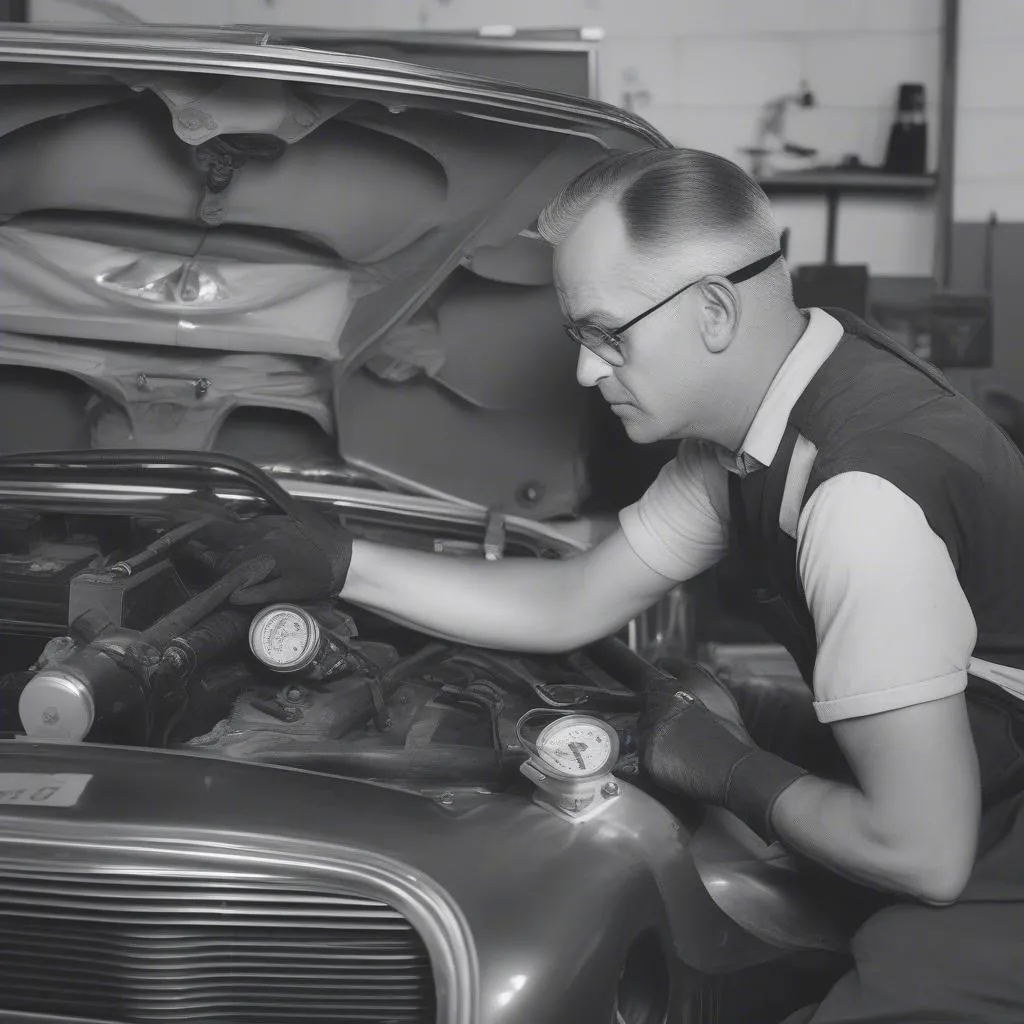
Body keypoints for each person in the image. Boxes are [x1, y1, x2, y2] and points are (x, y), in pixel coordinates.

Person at [196, 148, 1024, 1023]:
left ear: (713, 309)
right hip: (961, 752)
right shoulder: (776, 408)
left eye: (608, 334)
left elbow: (924, 854)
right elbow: (576, 599)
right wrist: (344, 563)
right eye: (579, 338)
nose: (590, 372)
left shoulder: (861, 500)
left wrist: (731, 771)